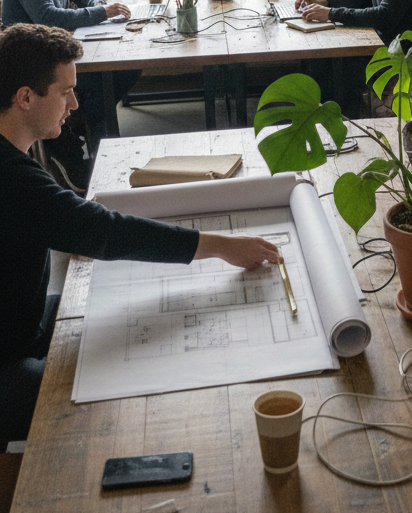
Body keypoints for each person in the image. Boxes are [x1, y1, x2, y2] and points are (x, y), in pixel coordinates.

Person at [0, 23, 281, 442]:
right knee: (115, 394)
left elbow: (66, 220)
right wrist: (222, 246)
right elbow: (103, 232)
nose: (75, 104)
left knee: (119, 312)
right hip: (7, 360)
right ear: (25, 97)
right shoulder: (10, 176)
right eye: (65, 92)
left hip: (20, 321)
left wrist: (78, 221)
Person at [1, 0, 138, 184]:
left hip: (54, 54)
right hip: (34, 69)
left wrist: (98, 2)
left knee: (127, 71)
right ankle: (96, 158)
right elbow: (48, 17)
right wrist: (103, 13)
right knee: (106, 81)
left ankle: (87, 126)